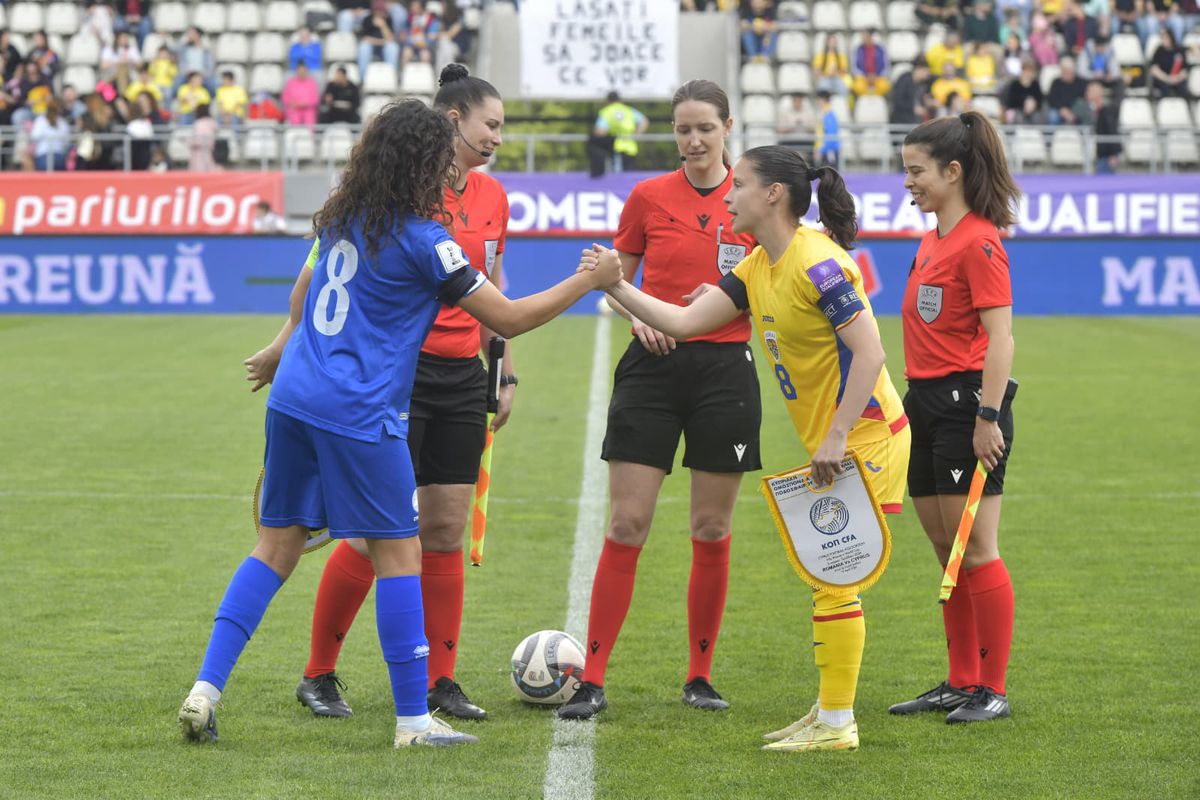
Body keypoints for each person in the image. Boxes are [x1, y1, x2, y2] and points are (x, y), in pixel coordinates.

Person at [177, 97, 622, 749]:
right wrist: (588, 280)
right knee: (401, 553)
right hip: (358, 411)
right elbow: (507, 318)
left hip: (294, 396)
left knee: (275, 548)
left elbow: (301, 297)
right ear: (423, 162)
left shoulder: (341, 216)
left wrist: (277, 351)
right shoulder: (427, 241)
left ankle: (203, 690)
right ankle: (414, 721)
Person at [589, 145, 910, 753]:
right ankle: (828, 711)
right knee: (828, 573)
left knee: (834, 577)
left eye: (740, 185)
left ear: (773, 196)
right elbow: (684, 325)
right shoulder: (759, 264)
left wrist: (838, 436)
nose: (728, 195)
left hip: (868, 436)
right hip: (838, 440)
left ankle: (837, 723)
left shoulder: (819, 264)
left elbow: (871, 353)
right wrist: (619, 288)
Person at [244, 64, 517, 722]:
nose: (498, 139)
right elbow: (315, 279)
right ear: (454, 121)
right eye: (491, 125)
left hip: (460, 377)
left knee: (446, 528)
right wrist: (285, 344)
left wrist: (503, 371)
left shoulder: (493, 197)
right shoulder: (387, 192)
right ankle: (319, 673)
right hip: (392, 375)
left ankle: (440, 682)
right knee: (378, 536)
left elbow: (496, 288)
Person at [556, 79, 761, 722]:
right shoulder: (647, 196)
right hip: (651, 369)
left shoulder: (753, 200)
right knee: (627, 524)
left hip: (726, 372)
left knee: (711, 527)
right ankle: (591, 678)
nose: (694, 140)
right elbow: (611, 280)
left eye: (705, 127)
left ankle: (700, 675)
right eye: (682, 129)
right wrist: (632, 312)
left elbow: (774, 279)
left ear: (728, 127)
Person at [890, 111, 1020, 725]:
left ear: (953, 171)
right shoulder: (933, 238)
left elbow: (1001, 339)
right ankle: (960, 679)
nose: (908, 182)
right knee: (948, 548)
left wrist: (989, 417)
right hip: (925, 404)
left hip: (969, 406)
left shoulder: (980, 240)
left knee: (977, 549)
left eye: (916, 172)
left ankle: (990, 688)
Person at [592, 91, 649, 173]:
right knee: (629, 176)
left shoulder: (606, 112)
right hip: (630, 147)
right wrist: (637, 134)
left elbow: (600, 131)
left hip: (614, 146)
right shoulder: (628, 110)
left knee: (617, 178)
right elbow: (644, 121)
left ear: (608, 101)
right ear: (620, 100)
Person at [358, 0, 402, 78]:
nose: (380, 13)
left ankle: (391, 76)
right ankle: (363, 78)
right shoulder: (367, 19)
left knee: (392, 48)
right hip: (371, 46)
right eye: (378, 11)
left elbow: (390, 38)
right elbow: (365, 38)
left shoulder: (388, 19)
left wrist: (383, 26)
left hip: (383, 46)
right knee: (363, 48)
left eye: (382, 11)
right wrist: (381, 42)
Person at [1085, 80, 1121, 173]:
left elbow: (1112, 132)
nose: (1087, 93)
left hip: (1106, 156)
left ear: (1097, 93)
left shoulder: (1107, 111)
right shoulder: (1095, 110)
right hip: (1100, 155)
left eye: (1089, 91)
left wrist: (1114, 154)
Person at [31, 99, 71, 171]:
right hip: (59, 156)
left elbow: (34, 137)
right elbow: (66, 142)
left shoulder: (40, 120)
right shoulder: (62, 122)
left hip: (43, 155)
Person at [891, 59, 934, 126]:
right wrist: (913, 109)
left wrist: (927, 101)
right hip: (902, 121)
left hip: (916, 121)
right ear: (918, 69)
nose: (928, 74)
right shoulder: (904, 80)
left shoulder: (924, 84)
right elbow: (898, 101)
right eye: (926, 71)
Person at [1046, 55, 1087, 124]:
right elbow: (1052, 98)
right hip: (1059, 110)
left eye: (1067, 71)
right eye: (1063, 70)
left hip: (1076, 109)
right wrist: (1062, 109)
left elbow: (1082, 100)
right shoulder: (1056, 82)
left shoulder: (1081, 83)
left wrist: (1071, 112)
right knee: (1052, 116)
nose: (1064, 73)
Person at [1149, 27, 1188, 98]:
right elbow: (1154, 69)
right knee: (1165, 87)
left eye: (1166, 38)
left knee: (1183, 88)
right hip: (1163, 78)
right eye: (1162, 38)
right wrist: (1167, 78)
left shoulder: (1179, 50)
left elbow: (1185, 70)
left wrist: (1177, 78)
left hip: (1177, 78)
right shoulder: (1159, 51)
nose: (1164, 40)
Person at [851, 29, 891, 98]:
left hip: (878, 77)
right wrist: (865, 76)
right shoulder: (858, 50)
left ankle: (876, 102)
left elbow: (886, 67)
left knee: (884, 85)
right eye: (863, 37)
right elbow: (855, 67)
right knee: (857, 86)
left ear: (871, 37)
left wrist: (876, 76)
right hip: (863, 77)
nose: (864, 39)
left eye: (866, 36)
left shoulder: (881, 50)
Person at [1003, 57, 1044, 123]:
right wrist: (1024, 103)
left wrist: (1033, 104)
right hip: (1018, 109)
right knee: (1018, 117)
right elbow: (1011, 101)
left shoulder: (1035, 85)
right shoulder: (1015, 84)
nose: (1028, 74)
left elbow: (1040, 99)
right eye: (1026, 71)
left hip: (1033, 110)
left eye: (1030, 71)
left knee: (1037, 116)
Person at [282, 62, 319, 128]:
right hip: (294, 109)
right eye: (300, 70)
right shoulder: (290, 82)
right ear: (296, 71)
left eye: (303, 70)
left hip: (308, 109)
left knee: (309, 120)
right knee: (294, 121)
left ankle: (310, 136)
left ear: (307, 71)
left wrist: (304, 104)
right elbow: (285, 98)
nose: (301, 72)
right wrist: (293, 103)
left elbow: (315, 100)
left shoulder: (311, 83)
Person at [813, 90, 840, 168]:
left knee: (830, 178)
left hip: (829, 152)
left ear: (822, 100)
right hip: (825, 151)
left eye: (818, 100)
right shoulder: (824, 113)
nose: (817, 102)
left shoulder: (829, 114)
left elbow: (831, 136)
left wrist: (821, 151)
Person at [189, 103, 218, 171]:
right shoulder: (211, 122)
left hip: (201, 150)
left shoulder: (198, 123)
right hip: (204, 150)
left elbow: (196, 139)